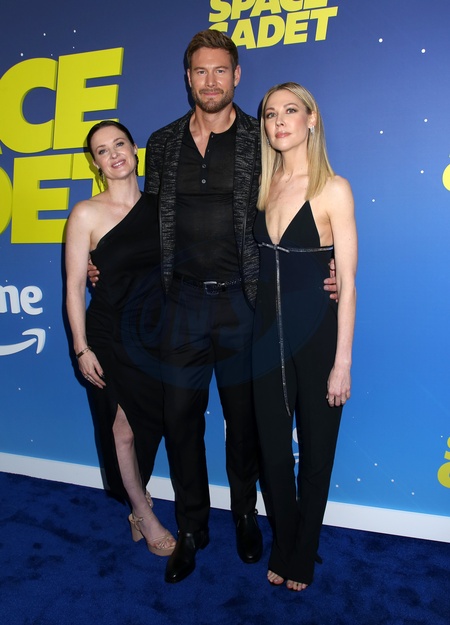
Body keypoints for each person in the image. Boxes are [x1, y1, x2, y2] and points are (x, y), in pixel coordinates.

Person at [144, 31, 338, 584]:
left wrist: (329, 272)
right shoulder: (161, 143)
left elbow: (306, 202)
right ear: (188, 77)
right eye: (200, 71)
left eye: (220, 70)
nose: (211, 81)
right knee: (180, 421)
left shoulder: (262, 139)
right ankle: (191, 528)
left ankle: (246, 515)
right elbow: (145, 220)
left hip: (245, 303)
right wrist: (103, 260)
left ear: (236, 76)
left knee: (246, 423)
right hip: (180, 303)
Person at [252, 82, 357, 591]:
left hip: (317, 337)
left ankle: (303, 550)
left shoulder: (333, 188)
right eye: (270, 114)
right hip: (264, 339)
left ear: (311, 119)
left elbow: (349, 283)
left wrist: (343, 363)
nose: (279, 122)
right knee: (273, 451)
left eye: (290, 111)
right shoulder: (263, 186)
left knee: (316, 450)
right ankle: (285, 541)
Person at [65, 120, 175, 557]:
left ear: (134, 149)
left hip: (156, 336)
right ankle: (142, 512)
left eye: (119, 144)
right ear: (95, 163)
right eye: (102, 150)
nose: (113, 155)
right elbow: (74, 286)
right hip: (108, 333)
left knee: (156, 421)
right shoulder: (85, 213)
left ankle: (137, 495)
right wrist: (81, 347)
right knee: (121, 428)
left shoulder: (163, 207)